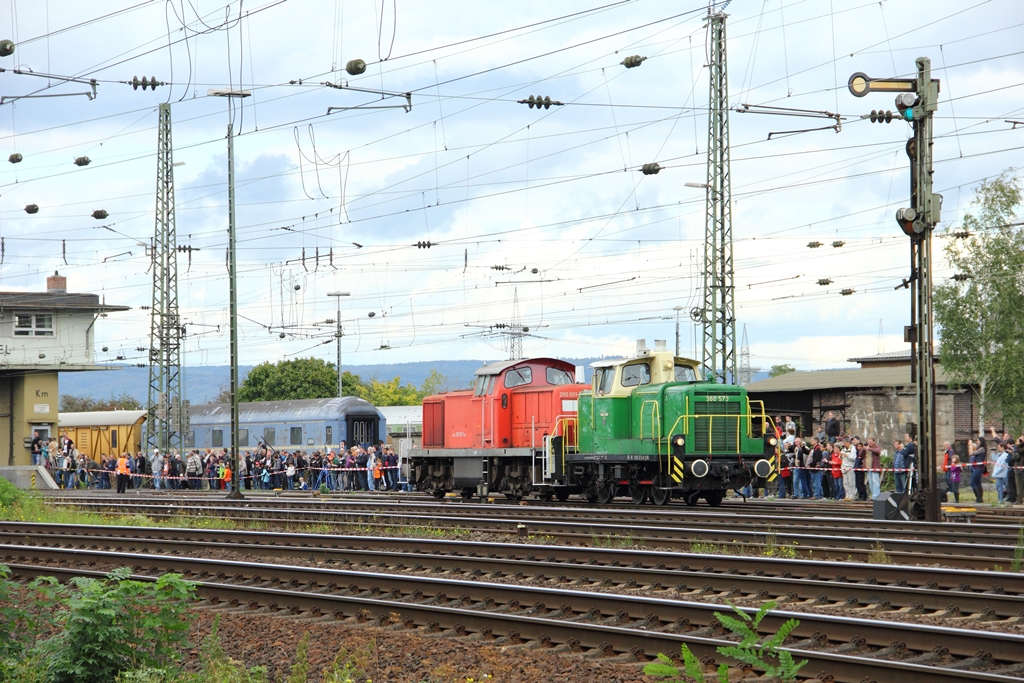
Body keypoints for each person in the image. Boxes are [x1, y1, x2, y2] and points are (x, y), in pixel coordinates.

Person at [969, 438, 987, 504]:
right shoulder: (981, 448)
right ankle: (980, 498)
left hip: (978, 468)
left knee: (972, 483)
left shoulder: (982, 449)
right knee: (978, 483)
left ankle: (978, 497)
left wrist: (970, 445)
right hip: (978, 467)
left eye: (978, 441)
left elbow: (972, 453)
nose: (977, 442)